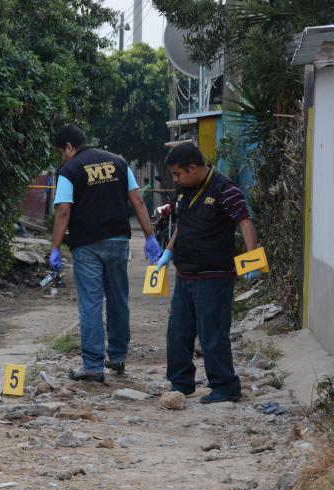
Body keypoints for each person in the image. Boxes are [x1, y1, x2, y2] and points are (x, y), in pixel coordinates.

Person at [50, 124, 161, 382]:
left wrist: (55, 248)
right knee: (118, 298)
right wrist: (150, 236)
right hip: (119, 240)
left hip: (87, 244)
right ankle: (118, 356)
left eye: (61, 152)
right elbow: (137, 200)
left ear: (69, 146)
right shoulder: (119, 163)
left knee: (90, 303)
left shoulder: (69, 170)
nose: (62, 157)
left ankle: (92, 366)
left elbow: (64, 210)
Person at [155, 142, 259, 403]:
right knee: (178, 332)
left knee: (212, 333)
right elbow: (182, 223)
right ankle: (180, 383)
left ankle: (225, 386)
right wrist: (168, 252)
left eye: (178, 173)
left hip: (215, 274)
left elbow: (244, 222)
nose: (176, 179)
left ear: (193, 168)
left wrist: (252, 260)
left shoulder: (225, 189)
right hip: (185, 273)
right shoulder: (184, 191)